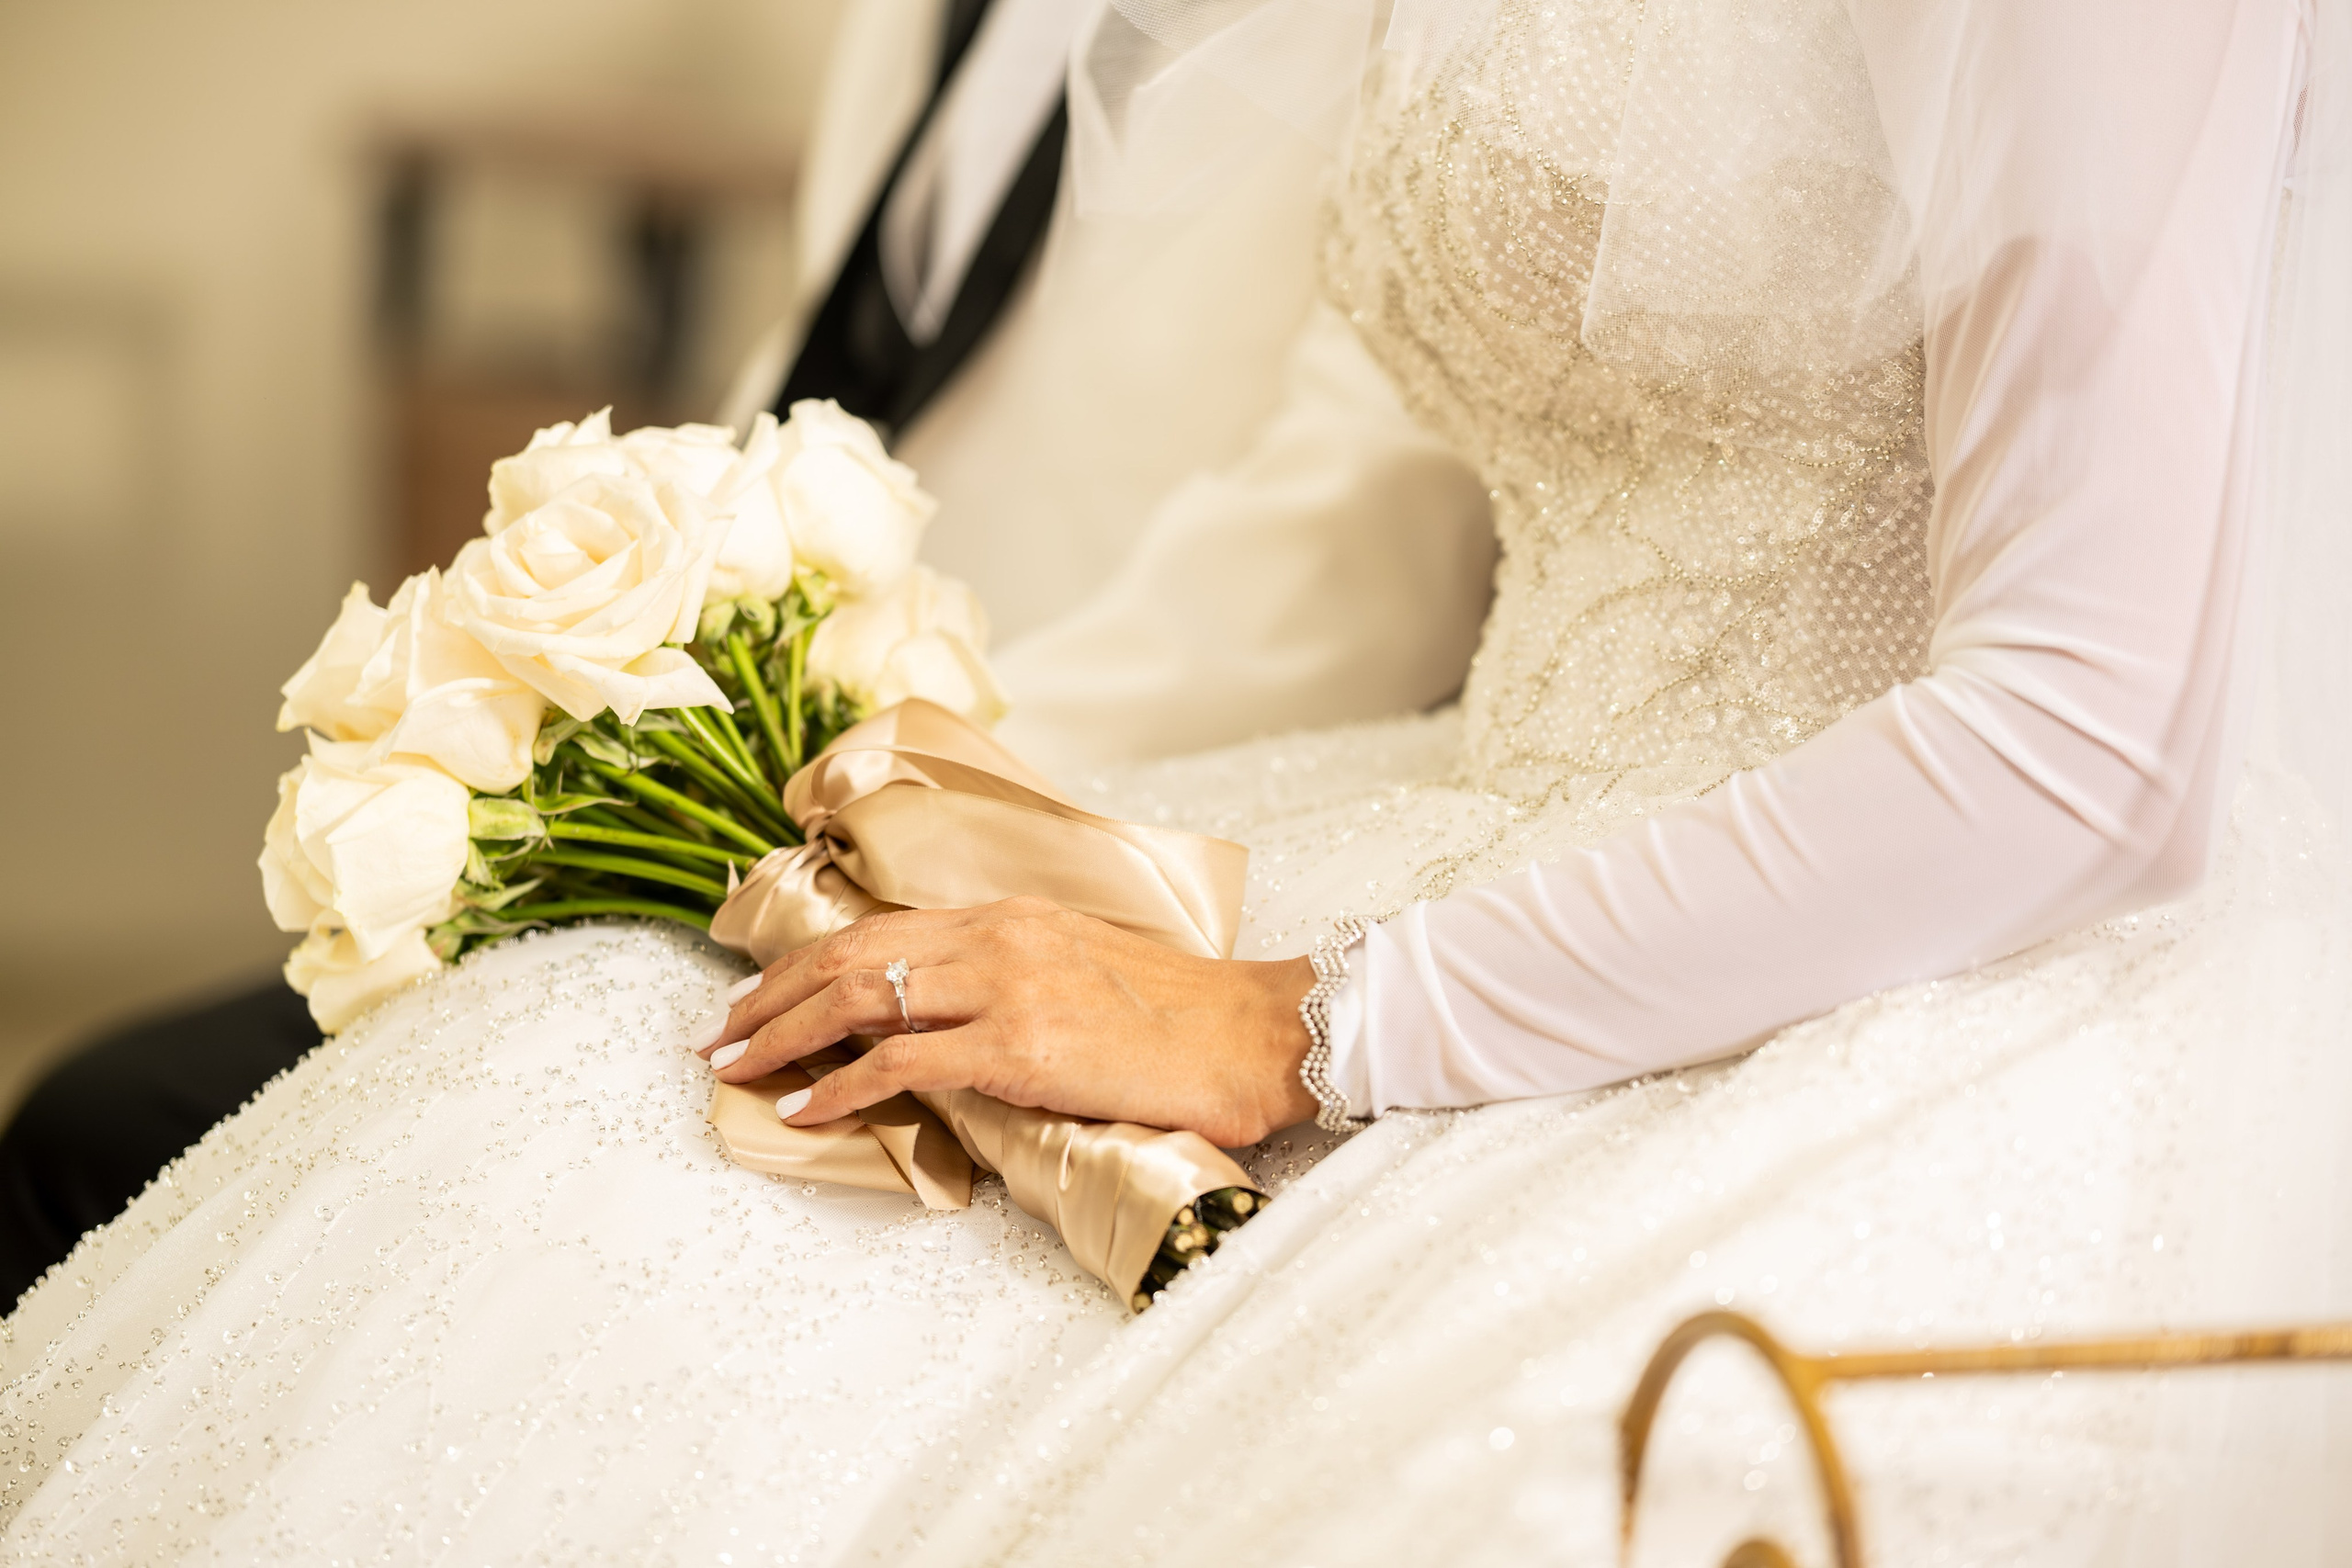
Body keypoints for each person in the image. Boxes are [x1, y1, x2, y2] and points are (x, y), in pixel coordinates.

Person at [4, 0, 2347, 1562]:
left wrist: (1288, 1019)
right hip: (1478, 783)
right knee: (559, 1135)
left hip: (1892, 946)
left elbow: (2084, 737)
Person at [0, 0, 1494, 1308]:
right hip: (779, 781)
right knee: (109, 1124)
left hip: (1082, 802)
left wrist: (866, 812)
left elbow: (1349, 567)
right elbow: (840, 360)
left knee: (141, 1147)